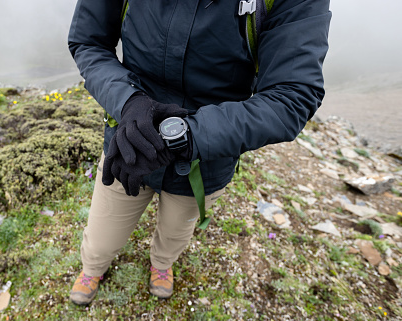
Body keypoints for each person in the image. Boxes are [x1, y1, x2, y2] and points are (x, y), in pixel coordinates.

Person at [67, 0, 331, 305]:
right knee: (103, 233)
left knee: (177, 229)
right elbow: (88, 41)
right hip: (129, 144)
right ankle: (93, 267)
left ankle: (162, 264)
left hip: (205, 159)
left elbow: (292, 95)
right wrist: (128, 102)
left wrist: (188, 137)